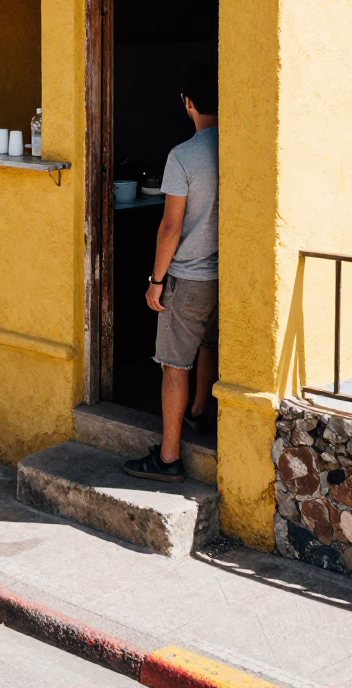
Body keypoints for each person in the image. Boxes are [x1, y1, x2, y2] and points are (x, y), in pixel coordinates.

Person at [123, 62, 218, 482]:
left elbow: (170, 226)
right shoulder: (239, 146)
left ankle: (168, 456)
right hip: (225, 277)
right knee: (208, 345)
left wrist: (156, 280)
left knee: (173, 365)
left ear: (188, 103)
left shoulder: (183, 156)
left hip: (189, 278)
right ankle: (199, 412)